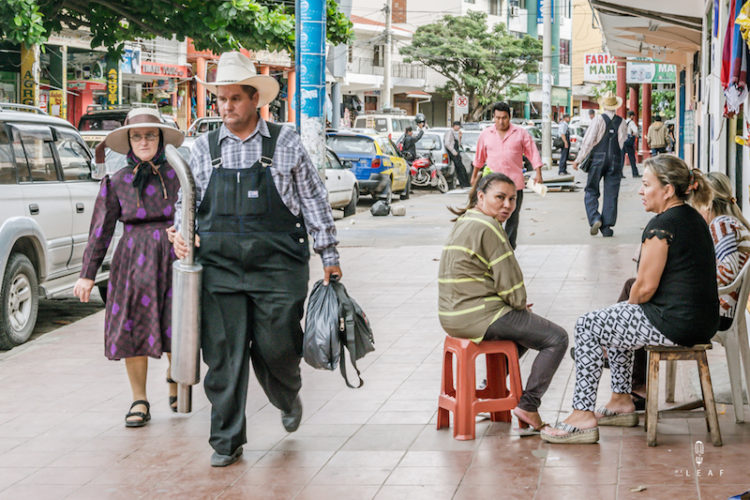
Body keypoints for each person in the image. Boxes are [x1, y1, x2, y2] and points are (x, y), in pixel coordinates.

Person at [170, 52, 341, 468]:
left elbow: (314, 201)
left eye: (235, 99)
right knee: (224, 354)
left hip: (278, 265)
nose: (227, 107)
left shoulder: (285, 142)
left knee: (276, 343)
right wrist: (180, 232)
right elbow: (185, 203)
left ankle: (286, 393)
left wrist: (329, 255)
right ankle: (226, 440)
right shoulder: (202, 148)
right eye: (221, 100)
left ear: (254, 100)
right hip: (219, 267)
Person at [541, 155, 719, 444]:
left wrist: (627, 306)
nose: (640, 190)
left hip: (675, 323)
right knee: (615, 324)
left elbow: (645, 288)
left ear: (668, 190)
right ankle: (621, 401)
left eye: (647, 184)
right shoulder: (693, 219)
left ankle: (582, 415)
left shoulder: (662, 225)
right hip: (701, 322)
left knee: (589, 325)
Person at [73, 108, 184, 427]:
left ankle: (176, 378)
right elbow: (100, 229)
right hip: (132, 261)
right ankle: (140, 399)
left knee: (176, 322)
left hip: (174, 254)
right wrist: (87, 275)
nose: (144, 141)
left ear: (161, 138)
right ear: (129, 141)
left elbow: (196, 212)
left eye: (150, 134)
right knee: (134, 325)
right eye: (137, 136)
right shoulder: (117, 181)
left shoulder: (179, 174)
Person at [438, 172, 568, 432]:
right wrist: (518, 305)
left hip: (451, 316)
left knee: (519, 336)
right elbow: (513, 286)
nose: (508, 205)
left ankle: (493, 391)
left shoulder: (466, 220)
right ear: (481, 196)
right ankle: (528, 406)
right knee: (556, 338)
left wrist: (513, 307)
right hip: (479, 315)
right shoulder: (489, 227)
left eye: (512, 199)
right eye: (500, 197)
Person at [470, 102, 543, 249]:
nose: (501, 121)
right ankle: (492, 247)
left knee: (512, 218)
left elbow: (532, 153)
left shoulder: (520, 133)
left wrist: (538, 174)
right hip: (492, 185)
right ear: (493, 118)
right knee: (491, 217)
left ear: (509, 117)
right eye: (497, 118)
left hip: (514, 185)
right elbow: (479, 157)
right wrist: (474, 176)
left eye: (504, 118)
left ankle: (509, 249)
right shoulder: (486, 134)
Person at [573, 91, 627, 237]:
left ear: (604, 105)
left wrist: (578, 159)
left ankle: (595, 217)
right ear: (615, 106)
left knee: (591, 190)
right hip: (615, 160)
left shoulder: (598, 120)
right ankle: (607, 227)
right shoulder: (621, 122)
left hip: (598, 159)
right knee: (612, 193)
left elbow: (588, 141)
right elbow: (621, 143)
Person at [702, 172, 750, 330]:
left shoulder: (721, 224)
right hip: (726, 310)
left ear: (707, 202)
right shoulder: (732, 222)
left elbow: (728, 270)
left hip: (719, 313)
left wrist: (692, 283)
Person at [444, 121, 471, 188]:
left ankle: (465, 183)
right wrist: (453, 151)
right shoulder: (449, 132)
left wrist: (460, 138)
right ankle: (464, 184)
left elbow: (458, 144)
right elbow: (447, 144)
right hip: (454, 153)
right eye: (458, 126)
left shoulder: (454, 133)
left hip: (456, 152)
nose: (459, 128)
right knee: (460, 168)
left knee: (461, 168)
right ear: (455, 126)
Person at [622, 110, 640, 178]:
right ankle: (635, 173)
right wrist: (634, 135)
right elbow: (636, 131)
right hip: (629, 141)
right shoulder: (631, 122)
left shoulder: (624, 122)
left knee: (622, 158)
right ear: (632, 116)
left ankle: (620, 173)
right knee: (632, 158)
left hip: (623, 141)